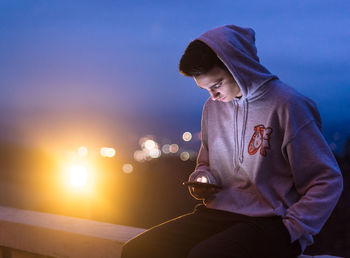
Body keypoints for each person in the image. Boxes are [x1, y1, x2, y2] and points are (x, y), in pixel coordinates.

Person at [121, 24, 343, 258]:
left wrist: (293, 228)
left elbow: (326, 180)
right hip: (221, 213)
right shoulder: (212, 108)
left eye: (216, 85)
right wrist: (203, 179)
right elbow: (206, 164)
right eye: (205, 89)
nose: (213, 96)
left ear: (239, 67)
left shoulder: (289, 105)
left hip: (273, 222)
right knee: (138, 250)